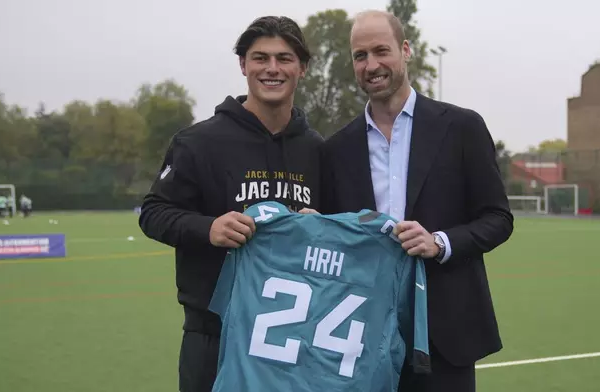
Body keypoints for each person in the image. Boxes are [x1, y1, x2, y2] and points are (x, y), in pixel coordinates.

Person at [319, 10, 514, 392]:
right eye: (360, 56)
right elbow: (334, 238)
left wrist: (440, 243)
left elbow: (498, 218)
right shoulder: (336, 149)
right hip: (362, 336)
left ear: (405, 50)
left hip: (446, 334)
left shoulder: (462, 128)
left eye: (381, 51)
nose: (371, 65)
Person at [138, 15, 322, 392]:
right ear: (243, 65)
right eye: (260, 58)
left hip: (296, 338)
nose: (272, 69)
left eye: (284, 58)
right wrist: (209, 228)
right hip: (214, 337)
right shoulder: (199, 141)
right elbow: (153, 213)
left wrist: (323, 227)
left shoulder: (318, 150)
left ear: (302, 68)